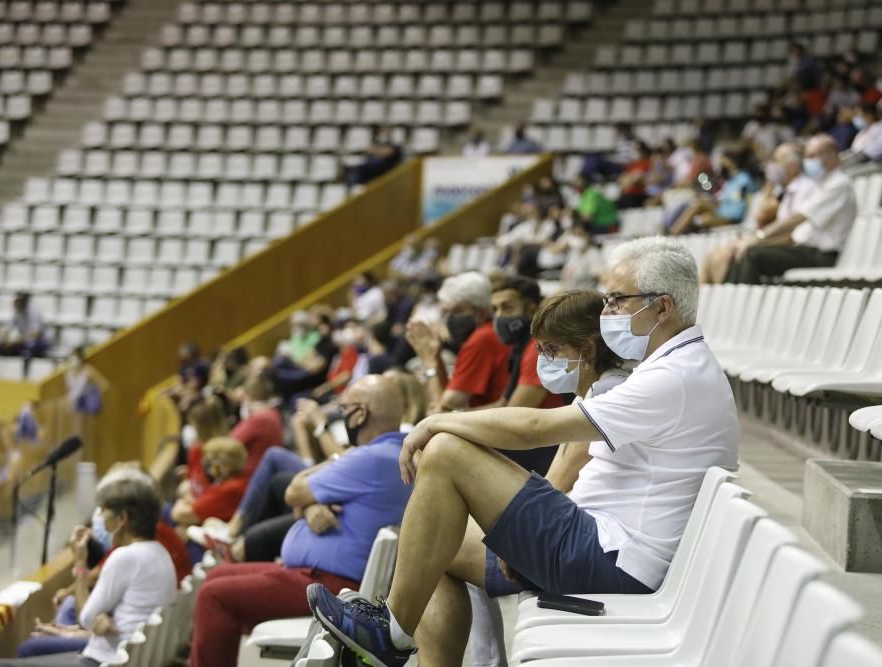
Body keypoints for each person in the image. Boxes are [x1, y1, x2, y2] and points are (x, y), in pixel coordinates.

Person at [307, 238, 740, 667]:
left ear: (662, 307)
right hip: (605, 546)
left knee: (445, 452)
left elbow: (537, 427)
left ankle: (387, 635)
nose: (605, 312)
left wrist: (436, 421)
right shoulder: (679, 366)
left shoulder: (675, 377)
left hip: (614, 563)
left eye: (616, 300)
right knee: (431, 548)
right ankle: (399, 639)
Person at [189, 375, 413, 667]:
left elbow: (294, 491)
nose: (340, 416)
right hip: (320, 577)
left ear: (360, 413)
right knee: (216, 577)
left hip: (327, 585)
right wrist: (311, 506)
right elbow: (300, 503)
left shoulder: (368, 458)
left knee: (214, 595)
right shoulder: (391, 453)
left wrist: (336, 463)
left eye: (344, 408)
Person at [466, 288, 631, 665]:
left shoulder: (607, 397)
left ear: (588, 350)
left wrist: (516, 541)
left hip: (593, 548)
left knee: (442, 543)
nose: (544, 361)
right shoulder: (594, 393)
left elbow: (558, 483)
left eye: (552, 351)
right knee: (442, 538)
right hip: (588, 534)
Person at [0, 479, 177, 667]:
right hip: (123, 656)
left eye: (104, 511)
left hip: (102, 660)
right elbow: (96, 620)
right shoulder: (161, 553)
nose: (100, 518)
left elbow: (86, 618)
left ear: (122, 519)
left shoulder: (125, 557)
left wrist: (80, 562)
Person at [726, 134, 856, 284]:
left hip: (823, 255)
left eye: (813, 155)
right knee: (743, 252)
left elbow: (798, 217)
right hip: (805, 249)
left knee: (752, 255)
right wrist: (757, 240)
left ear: (832, 156)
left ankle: (743, 303)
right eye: (807, 156)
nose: (807, 161)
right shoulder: (823, 184)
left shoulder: (839, 184)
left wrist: (759, 237)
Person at [700, 143, 819, 284]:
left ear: (793, 166)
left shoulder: (807, 188)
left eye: (776, 160)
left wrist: (756, 240)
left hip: (801, 247)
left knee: (745, 254)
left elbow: (788, 228)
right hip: (782, 242)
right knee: (715, 255)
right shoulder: (786, 189)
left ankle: (734, 297)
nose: (772, 166)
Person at [489, 277, 564, 473]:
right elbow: (501, 405)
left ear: (531, 309)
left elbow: (511, 415)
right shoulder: (521, 346)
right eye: (495, 309)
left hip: (549, 448)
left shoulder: (536, 348)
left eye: (507, 308)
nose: (499, 317)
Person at [405, 272, 510, 412]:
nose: (450, 319)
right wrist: (436, 357)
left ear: (482, 312)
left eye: (457, 311)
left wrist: (428, 361)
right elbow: (447, 397)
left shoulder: (482, 338)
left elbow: (441, 412)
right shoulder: (485, 334)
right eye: (446, 313)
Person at [669, 145, 758, 235]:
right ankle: (675, 232)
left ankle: (673, 233)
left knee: (703, 210)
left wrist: (720, 200)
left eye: (723, 160)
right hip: (723, 211)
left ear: (731, 161)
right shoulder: (730, 179)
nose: (721, 163)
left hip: (731, 216)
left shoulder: (744, 179)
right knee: (702, 209)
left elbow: (739, 201)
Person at [171, 436, 248, 530]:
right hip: (200, 524)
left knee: (164, 510)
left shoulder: (230, 489)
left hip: (211, 538)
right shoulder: (229, 480)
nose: (206, 465)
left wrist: (182, 500)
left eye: (211, 461)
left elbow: (179, 514)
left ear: (226, 467)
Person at [230, 371, 284, 476]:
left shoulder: (259, 419)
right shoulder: (271, 412)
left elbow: (231, 442)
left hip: (253, 473)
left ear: (248, 396)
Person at [0, 293, 48, 358]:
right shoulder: (16, 312)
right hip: (24, 342)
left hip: (38, 342)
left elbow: (36, 334)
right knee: (1, 348)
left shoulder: (33, 311)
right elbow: (7, 329)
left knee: (31, 347)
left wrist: (17, 341)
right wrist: (5, 341)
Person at [615, 141, 653, 209]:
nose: (634, 152)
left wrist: (630, 179)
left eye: (637, 149)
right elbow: (621, 181)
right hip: (627, 195)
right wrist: (632, 178)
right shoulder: (631, 165)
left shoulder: (648, 162)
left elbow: (641, 179)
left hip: (640, 195)